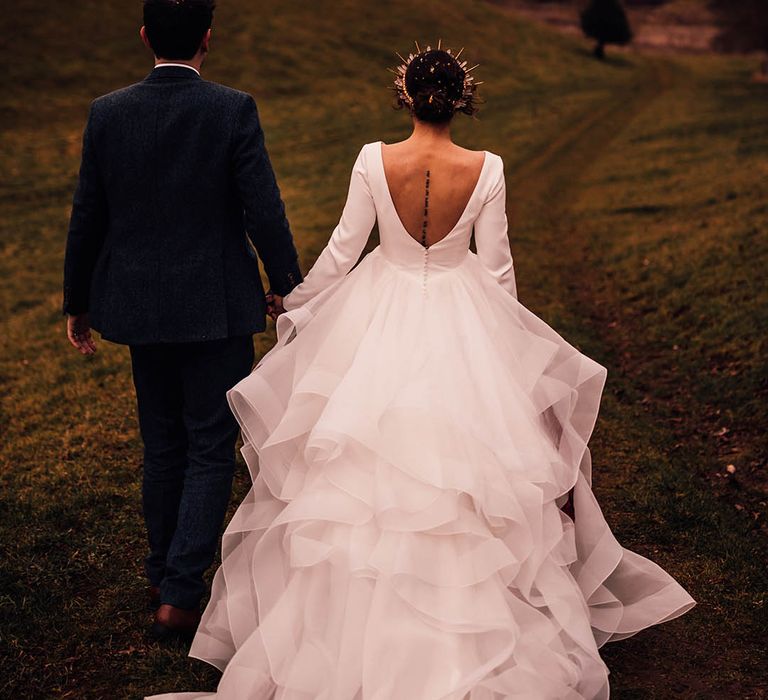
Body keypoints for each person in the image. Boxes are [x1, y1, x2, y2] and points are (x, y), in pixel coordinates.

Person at [146, 44, 696, 700]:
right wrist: (508, 353)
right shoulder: (486, 167)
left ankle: (349, 636)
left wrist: (291, 300)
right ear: (464, 98)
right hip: (461, 318)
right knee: (465, 481)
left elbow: (344, 250)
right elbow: (496, 271)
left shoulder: (373, 160)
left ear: (406, 94)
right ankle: (472, 634)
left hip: (381, 315)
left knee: (362, 476)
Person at [62, 0, 303, 642]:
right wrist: (289, 288)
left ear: (145, 38)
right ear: (208, 39)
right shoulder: (232, 109)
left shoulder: (107, 113)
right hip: (217, 308)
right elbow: (264, 209)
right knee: (208, 448)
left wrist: (76, 301)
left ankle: (160, 572)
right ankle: (179, 591)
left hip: (140, 309)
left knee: (162, 443)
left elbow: (89, 213)